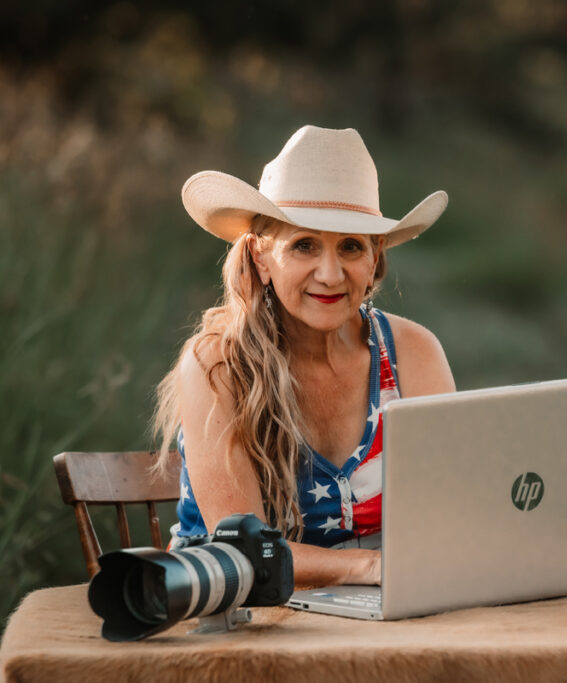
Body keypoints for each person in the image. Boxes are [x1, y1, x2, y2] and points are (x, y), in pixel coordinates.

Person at [151, 125, 456, 587]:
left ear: (374, 259)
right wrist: (373, 567)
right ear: (260, 257)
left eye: (351, 247)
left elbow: (454, 512)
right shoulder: (217, 366)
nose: (330, 274)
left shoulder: (413, 354)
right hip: (232, 615)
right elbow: (242, 549)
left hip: (380, 607)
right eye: (305, 245)